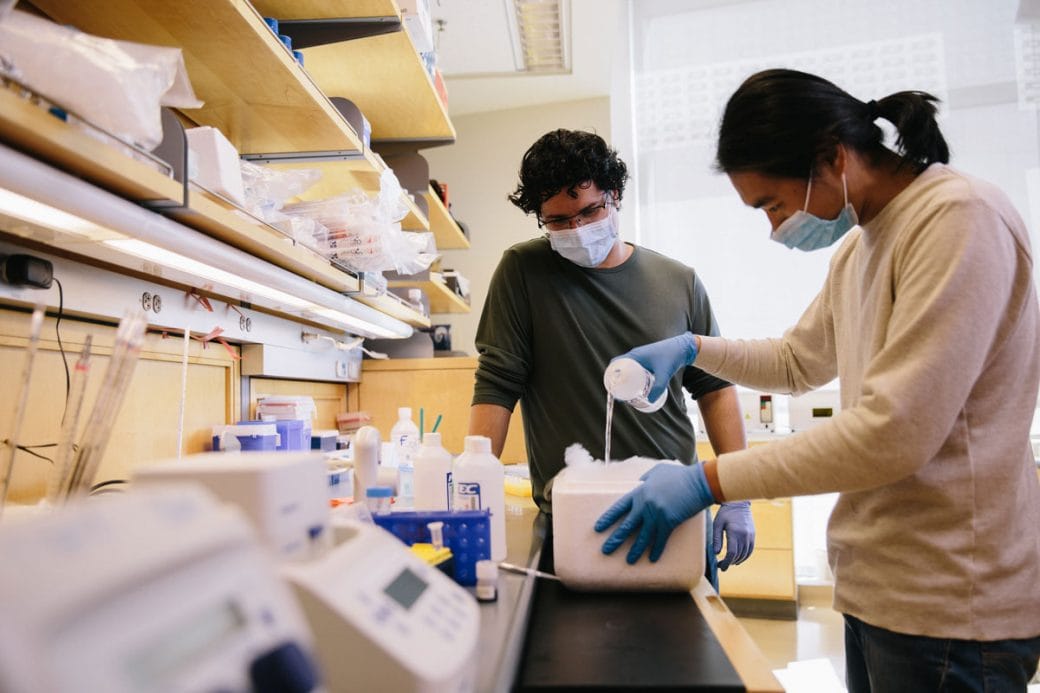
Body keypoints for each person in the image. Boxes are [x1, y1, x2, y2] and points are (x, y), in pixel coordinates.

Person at [595, 69, 1040, 691]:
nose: (774, 226)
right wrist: (693, 348)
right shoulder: (861, 247)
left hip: (952, 602)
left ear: (833, 157)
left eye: (772, 203)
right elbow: (797, 362)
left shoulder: (957, 220)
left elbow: (893, 434)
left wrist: (710, 480)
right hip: (882, 592)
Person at [469, 129, 755, 585]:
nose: (578, 229)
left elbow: (715, 388)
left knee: (687, 650)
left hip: (673, 507)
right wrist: (472, 493)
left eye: (590, 210)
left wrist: (736, 494)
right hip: (576, 515)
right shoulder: (523, 272)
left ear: (614, 194)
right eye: (558, 221)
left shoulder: (678, 282)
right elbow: (497, 384)